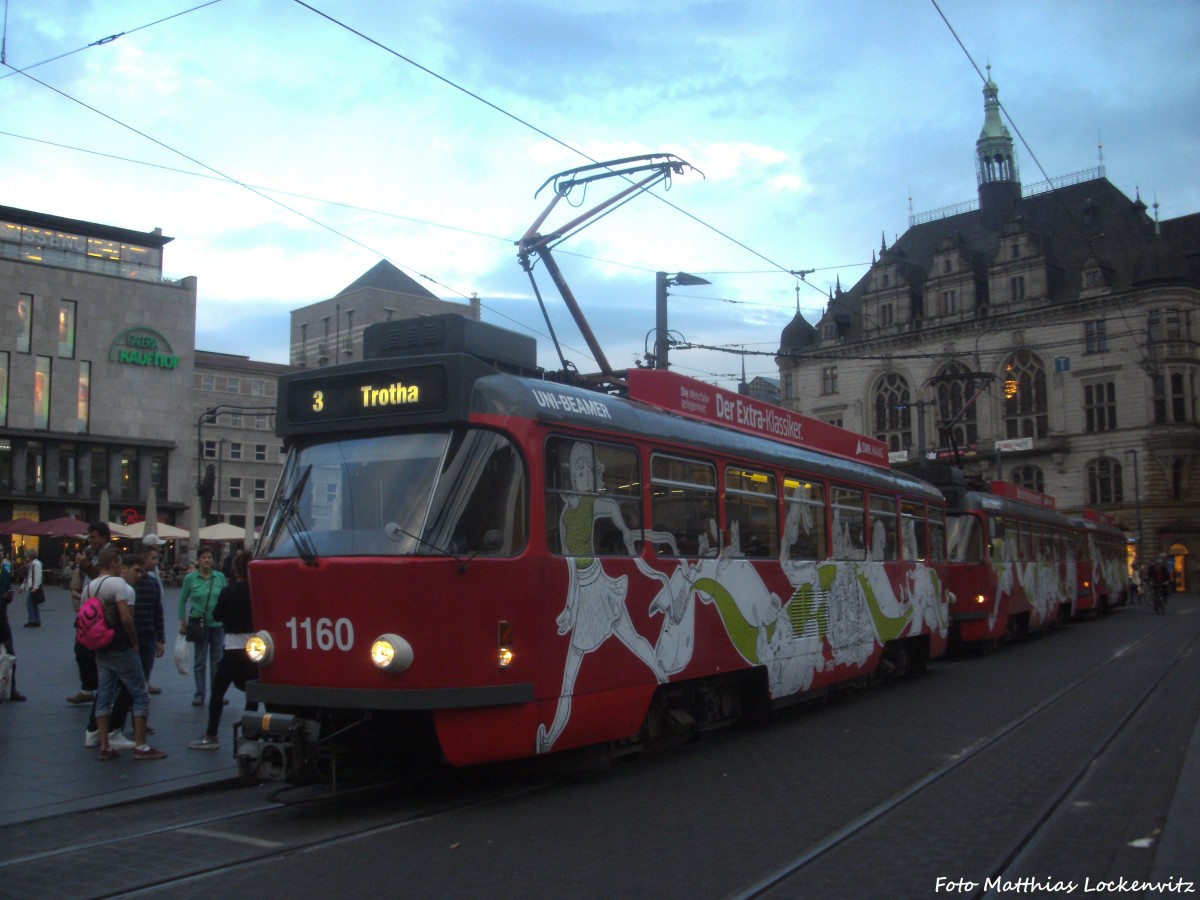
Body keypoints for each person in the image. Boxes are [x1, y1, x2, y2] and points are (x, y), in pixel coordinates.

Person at [92, 548, 166, 760]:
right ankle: (141, 746)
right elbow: (126, 618)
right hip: (122, 647)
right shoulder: (121, 586)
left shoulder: (92, 585)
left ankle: (105, 746)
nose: (139, 575)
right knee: (141, 694)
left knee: (104, 696)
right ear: (117, 564)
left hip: (101, 646)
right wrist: (134, 642)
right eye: (136, 570)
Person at [190, 550, 258, 750]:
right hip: (253, 647)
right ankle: (249, 732)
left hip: (232, 647)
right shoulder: (257, 591)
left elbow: (217, 615)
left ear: (236, 570)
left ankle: (211, 735)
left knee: (218, 691)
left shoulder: (229, 591)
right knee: (252, 693)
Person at [107, 543, 166, 738]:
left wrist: (160, 638)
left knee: (143, 682)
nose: (155, 562)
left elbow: (158, 611)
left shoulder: (152, 582)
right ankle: (117, 724)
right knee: (125, 684)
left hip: (147, 637)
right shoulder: (123, 585)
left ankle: (139, 721)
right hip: (128, 639)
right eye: (153, 558)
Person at [177, 545, 226, 706]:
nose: (207, 560)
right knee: (200, 660)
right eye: (204, 557)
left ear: (213, 560)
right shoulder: (191, 578)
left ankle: (217, 692)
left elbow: (225, 598)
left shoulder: (219, 577)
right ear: (198, 560)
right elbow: (182, 600)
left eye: (210, 557)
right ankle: (199, 693)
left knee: (217, 660)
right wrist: (182, 621)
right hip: (199, 623)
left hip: (218, 624)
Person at [68, 523, 110, 705]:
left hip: (100, 609)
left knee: (95, 650)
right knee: (82, 648)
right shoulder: (93, 553)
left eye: (93, 537)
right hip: (88, 608)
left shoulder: (111, 555)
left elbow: (102, 576)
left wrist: (83, 563)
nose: (90, 541)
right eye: (89, 537)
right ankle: (89, 688)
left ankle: (99, 689)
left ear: (104, 537)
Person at [0, 549, 27, 701]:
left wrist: (8, 597)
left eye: (1, 551)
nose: (0, 554)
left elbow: (6, 592)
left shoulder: (4, 572)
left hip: (2, 617)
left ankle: (11, 689)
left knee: (10, 653)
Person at [21, 547, 43, 627]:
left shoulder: (36, 564)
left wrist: (35, 587)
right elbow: (28, 577)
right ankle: (36, 620)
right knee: (34, 603)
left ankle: (32, 620)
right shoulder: (31, 564)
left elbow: (37, 576)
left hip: (32, 586)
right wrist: (22, 586)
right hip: (31, 586)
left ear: (30, 556)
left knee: (29, 602)